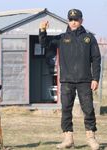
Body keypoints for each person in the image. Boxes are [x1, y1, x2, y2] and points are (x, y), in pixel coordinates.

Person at [39, 9, 101, 150]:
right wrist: (42, 31)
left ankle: (91, 138)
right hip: (67, 81)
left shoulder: (89, 38)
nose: (73, 22)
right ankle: (68, 139)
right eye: (71, 19)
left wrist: (95, 78)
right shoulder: (61, 38)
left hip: (85, 80)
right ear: (68, 21)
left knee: (89, 109)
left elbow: (96, 59)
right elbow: (45, 44)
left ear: (81, 21)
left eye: (76, 19)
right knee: (66, 109)